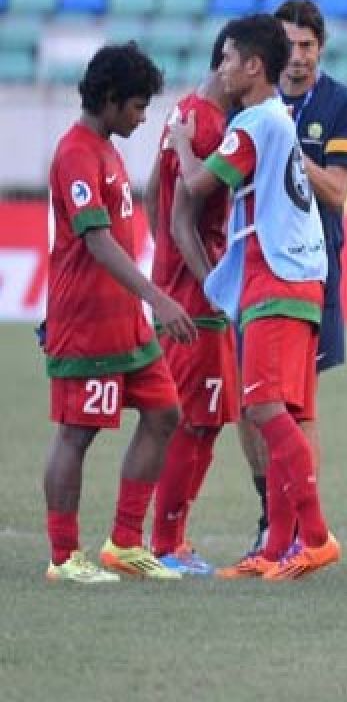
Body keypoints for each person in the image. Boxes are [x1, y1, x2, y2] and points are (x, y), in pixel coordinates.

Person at [167, 13, 340, 581]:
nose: (222, 70)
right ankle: (277, 546)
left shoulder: (250, 126)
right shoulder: (277, 119)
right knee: (285, 411)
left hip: (277, 278)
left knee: (263, 408)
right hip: (302, 277)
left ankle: (315, 536)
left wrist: (183, 145)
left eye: (228, 60)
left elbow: (195, 186)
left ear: (253, 66)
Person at [43, 42, 197, 583]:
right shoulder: (76, 153)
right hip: (87, 324)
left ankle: (126, 543)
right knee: (76, 433)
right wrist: (159, 296)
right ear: (109, 100)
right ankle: (64, 557)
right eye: (136, 106)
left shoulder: (106, 148)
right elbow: (97, 243)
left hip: (126, 323)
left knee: (165, 413)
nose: (142, 116)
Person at [234, 0, 347, 553]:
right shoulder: (254, 99)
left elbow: (337, 192)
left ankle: (298, 532)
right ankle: (273, 518)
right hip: (250, 264)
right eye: (288, 46)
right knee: (250, 399)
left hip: (311, 264)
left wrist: (285, 145)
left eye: (308, 46)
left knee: (296, 402)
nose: (297, 58)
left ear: (321, 49)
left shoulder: (340, 103)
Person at [143, 25, 240, 575]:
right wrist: (207, 283)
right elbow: (180, 215)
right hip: (199, 293)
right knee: (193, 420)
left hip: (186, 283)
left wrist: (167, 264)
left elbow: (153, 186)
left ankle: (171, 538)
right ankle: (165, 543)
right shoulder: (205, 121)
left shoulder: (186, 113)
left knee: (205, 418)